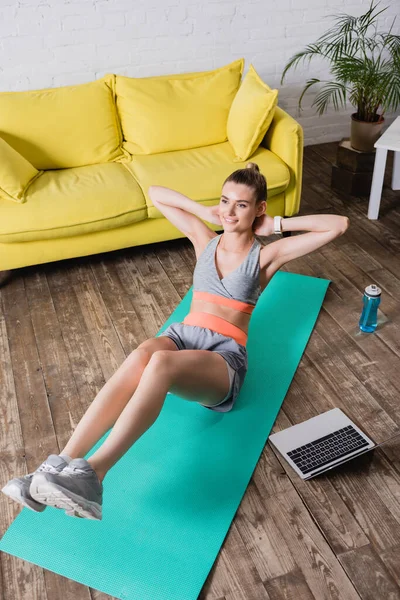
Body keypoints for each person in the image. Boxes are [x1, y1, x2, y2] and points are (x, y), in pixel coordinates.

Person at [1, 163, 349, 520]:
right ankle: (56, 467)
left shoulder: (265, 256)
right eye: (225, 201)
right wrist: (205, 211)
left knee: (161, 364)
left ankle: (95, 473)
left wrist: (274, 225)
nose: (229, 212)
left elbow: (338, 225)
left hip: (223, 357)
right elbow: (155, 193)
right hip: (182, 337)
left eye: (241, 205)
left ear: (258, 208)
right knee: (143, 354)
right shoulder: (204, 239)